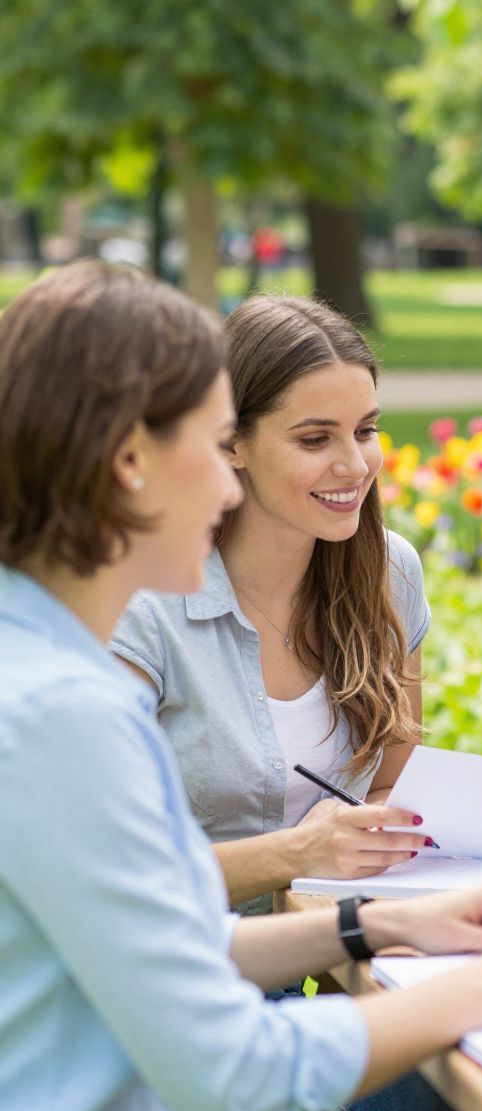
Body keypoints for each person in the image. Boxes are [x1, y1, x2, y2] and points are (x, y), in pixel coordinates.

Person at [0, 261, 482, 1111]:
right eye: (213, 446)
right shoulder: (61, 715)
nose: (226, 488)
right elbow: (241, 1084)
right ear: (130, 465)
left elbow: (165, 933)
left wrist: (382, 923)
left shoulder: (41, 665)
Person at [113, 296, 433, 916]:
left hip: (325, 940)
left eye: (366, 431)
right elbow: (112, 874)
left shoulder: (390, 573)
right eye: (315, 438)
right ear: (231, 443)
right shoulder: (143, 605)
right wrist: (297, 853)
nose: (354, 465)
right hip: (177, 954)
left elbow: (393, 785)